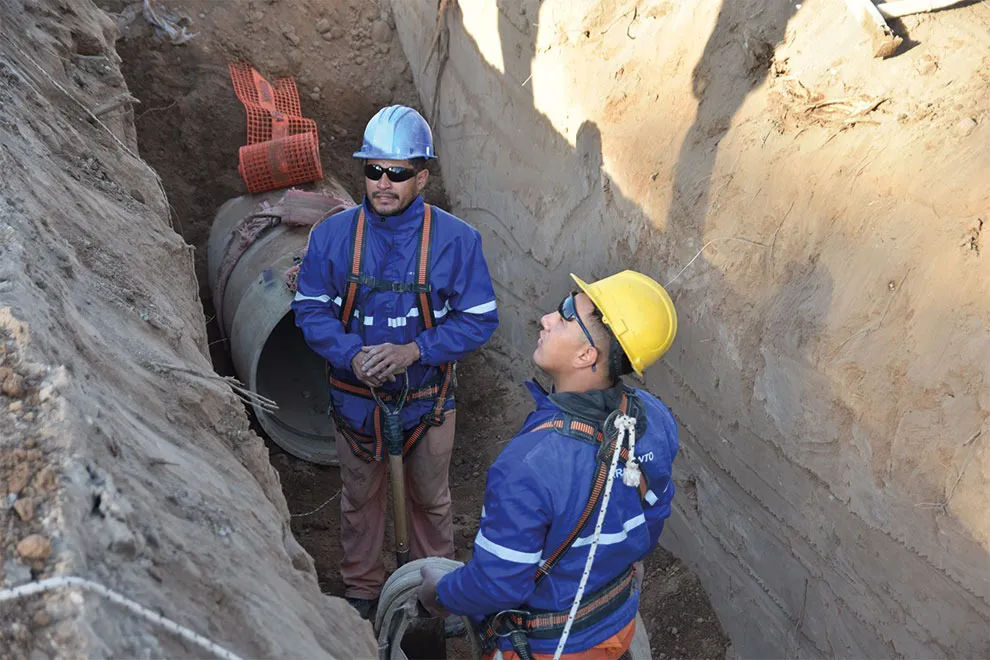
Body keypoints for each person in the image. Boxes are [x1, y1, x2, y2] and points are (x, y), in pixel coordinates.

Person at [292, 105, 499, 619]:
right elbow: (311, 307)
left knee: (431, 499)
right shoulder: (332, 236)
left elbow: (479, 319)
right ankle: (362, 592)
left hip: (427, 400)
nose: (383, 183)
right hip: (355, 401)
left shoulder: (457, 241)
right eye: (374, 170)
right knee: (360, 498)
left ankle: (437, 596)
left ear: (421, 176)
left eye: (398, 172)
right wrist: (350, 353)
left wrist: (415, 351)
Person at [418, 270, 679, 659]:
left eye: (565, 315)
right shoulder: (652, 416)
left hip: (548, 648)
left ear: (586, 355)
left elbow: (499, 584)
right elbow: (654, 512)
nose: (546, 319)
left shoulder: (529, 464)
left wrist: (439, 595)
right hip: (614, 624)